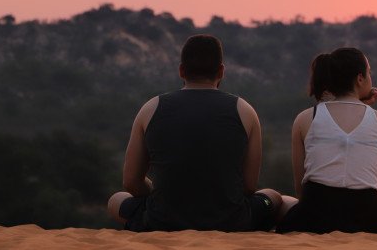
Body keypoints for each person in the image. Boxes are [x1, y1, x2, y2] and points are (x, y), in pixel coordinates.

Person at [107, 34, 289, 232]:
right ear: (221, 71)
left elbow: (131, 182)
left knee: (116, 200)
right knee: (274, 196)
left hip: (162, 221)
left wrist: (158, 192)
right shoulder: (245, 111)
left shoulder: (150, 108)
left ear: (181, 70)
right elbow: (248, 187)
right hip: (232, 221)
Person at [276, 48, 377, 234]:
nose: (370, 77)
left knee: (284, 201)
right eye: (369, 72)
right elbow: (356, 147)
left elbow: (300, 189)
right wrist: (363, 104)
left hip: (316, 215)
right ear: (360, 79)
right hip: (371, 218)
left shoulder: (305, 119)